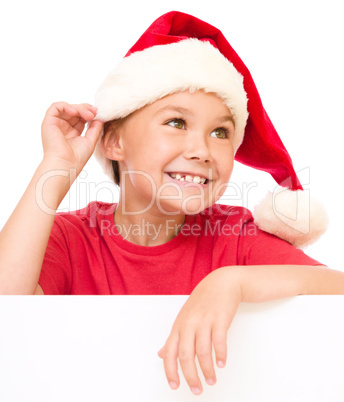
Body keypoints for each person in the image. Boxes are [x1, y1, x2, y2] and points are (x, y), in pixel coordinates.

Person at [0, 10, 343, 395]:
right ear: (114, 142)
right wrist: (57, 167)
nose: (201, 150)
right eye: (177, 122)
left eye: (220, 131)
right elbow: (6, 308)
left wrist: (233, 281)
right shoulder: (70, 238)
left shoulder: (234, 235)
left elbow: (337, 288)